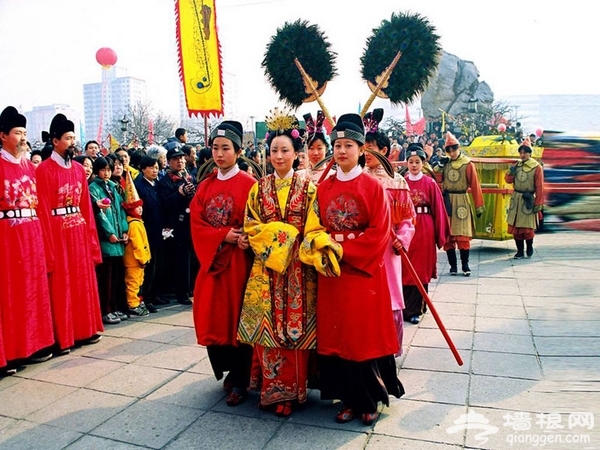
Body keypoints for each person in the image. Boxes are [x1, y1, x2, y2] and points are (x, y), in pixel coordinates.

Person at [237, 112, 337, 417]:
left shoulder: (309, 189)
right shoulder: (258, 188)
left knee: (296, 328)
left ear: (297, 154)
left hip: (298, 268)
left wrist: (302, 241)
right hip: (267, 267)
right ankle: (272, 390)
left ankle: (295, 391)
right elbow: (250, 225)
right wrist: (280, 235)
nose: (278, 156)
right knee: (269, 330)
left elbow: (317, 227)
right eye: (274, 151)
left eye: (285, 151)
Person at [313, 113, 404, 425]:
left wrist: (343, 249)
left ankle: (368, 400)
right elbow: (314, 226)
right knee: (337, 339)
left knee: (361, 339)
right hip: (332, 274)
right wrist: (321, 246)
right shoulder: (323, 188)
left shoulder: (373, 187)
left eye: (348, 145)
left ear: (361, 149)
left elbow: (379, 232)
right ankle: (346, 399)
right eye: (337, 145)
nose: (341, 151)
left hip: (362, 273)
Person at [190, 121, 256, 406]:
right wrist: (222, 235)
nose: (219, 153)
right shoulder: (205, 186)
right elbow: (197, 223)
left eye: (225, 148)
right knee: (212, 315)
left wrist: (244, 238)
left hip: (240, 264)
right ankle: (228, 373)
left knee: (238, 317)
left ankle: (241, 379)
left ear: (238, 151)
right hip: (214, 262)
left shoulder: (250, 185)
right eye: (215, 148)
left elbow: (258, 222)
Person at [36, 113, 104, 353]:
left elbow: (86, 205)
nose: (72, 142)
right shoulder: (44, 170)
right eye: (68, 138)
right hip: (57, 231)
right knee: (62, 284)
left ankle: (84, 331)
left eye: (73, 137)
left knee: (81, 281)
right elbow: (42, 209)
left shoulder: (77, 169)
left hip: (78, 228)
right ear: (55, 141)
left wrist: (91, 238)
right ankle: (63, 336)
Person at [0, 106, 55, 375]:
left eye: (24, 132)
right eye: (17, 133)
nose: (23, 138)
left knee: (31, 292)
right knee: (9, 294)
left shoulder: (27, 166)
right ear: (2, 136)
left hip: (31, 235)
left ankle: (31, 346)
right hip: (7, 237)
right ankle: (8, 354)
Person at [363, 109, 415, 350]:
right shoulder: (358, 178)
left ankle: (391, 346)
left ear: (384, 151)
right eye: (364, 147)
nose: (367, 152)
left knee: (391, 295)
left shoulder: (397, 182)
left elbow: (408, 218)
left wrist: (402, 239)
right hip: (363, 246)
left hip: (388, 247)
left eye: (372, 147)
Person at [402, 146, 450, 324]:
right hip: (406, 226)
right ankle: (405, 308)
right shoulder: (402, 182)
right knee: (405, 267)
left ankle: (418, 308)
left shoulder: (430, 183)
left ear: (423, 163)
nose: (414, 165)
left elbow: (438, 208)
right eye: (411, 162)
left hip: (424, 227)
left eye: (417, 162)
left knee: (420, 268)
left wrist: (440, 233)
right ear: (406, 163)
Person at [433, 131, 484, 276]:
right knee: (448, 236)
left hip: (462, 200)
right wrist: (439, 166)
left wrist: (479, 205)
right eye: (448, 150)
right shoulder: (445, 163)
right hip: (447, 200)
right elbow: (435, 179)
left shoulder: (467, 164)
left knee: (462, 235)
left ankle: (465, 265)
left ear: (459, 147)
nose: (451, 152)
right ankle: (453, 266)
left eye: (453, 149)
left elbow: (475, 185)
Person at [88, 156, 130, 325]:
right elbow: (100, 216)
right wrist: (109, 234)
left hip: (118, 239)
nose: (106, 173)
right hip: (107, 241)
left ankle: (115, 306)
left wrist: (125, 230)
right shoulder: (93, 188)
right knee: (107, 278)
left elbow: (121, 212)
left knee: (117, 276)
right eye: (103, 169)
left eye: (108, 169)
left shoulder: (113, 187)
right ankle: (106, 310)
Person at [157, 147, 196, 305]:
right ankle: (181, 293)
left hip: (190, 222)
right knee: (180, 260)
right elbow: (165, 203)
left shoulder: (188, 176)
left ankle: (189, 288)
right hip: (176, 225)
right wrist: (179, 193)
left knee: (190, 258)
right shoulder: (166, 180)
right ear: (169, 162)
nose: (179, 161)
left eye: (181, 158)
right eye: (175, 159)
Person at [134, 155, 166, 312]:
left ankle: (155, 294)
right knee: (149, 267)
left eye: (157, 168)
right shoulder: (139, 186)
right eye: (152, 167)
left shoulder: (157, 184)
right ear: (143, 169)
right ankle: (145, 297)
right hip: (147, 230)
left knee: (159, 264)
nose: (155, 170)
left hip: (159, 230)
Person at [505, 137, 544, 259]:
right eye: (520, 153)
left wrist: (538, 203)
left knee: (527, 228)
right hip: (516, 198)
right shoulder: (516, 165)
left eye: (524, 152)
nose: (522, 155)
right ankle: (519, 251)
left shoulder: (536, 167)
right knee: (516, 227)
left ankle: (529, 246)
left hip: (528, 199)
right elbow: (508, 180)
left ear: (529, 153)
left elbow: (539, 186)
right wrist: (511, 172)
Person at [122, 172, 151, 316]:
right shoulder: (133, 224)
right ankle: (133, 304)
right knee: (133, 283)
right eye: (136, 207)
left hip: (138, 261)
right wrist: (142, 258)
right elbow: (138, 245)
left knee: (139, 281)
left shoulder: (138, 222)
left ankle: (138, 301)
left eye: (140, 206)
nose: (140, 209)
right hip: (134, 261)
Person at [295, 111, 335, 184]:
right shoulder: (298, 176)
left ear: (326, 149)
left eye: (319, 148)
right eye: (311, 148)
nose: (315, 153)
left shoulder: (334, 176)